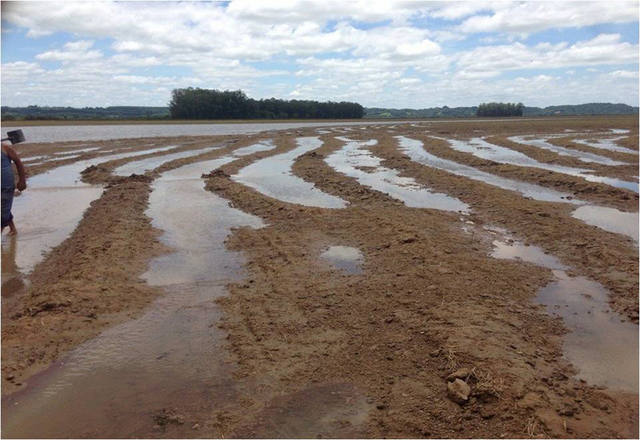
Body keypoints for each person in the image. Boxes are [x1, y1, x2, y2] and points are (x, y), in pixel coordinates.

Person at [1, 141, 27, 235]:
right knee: (4, 209)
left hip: (6, 186)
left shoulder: (4, 148)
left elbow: (18, 162)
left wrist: (22, 180)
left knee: (3, 211)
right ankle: (13, 229)